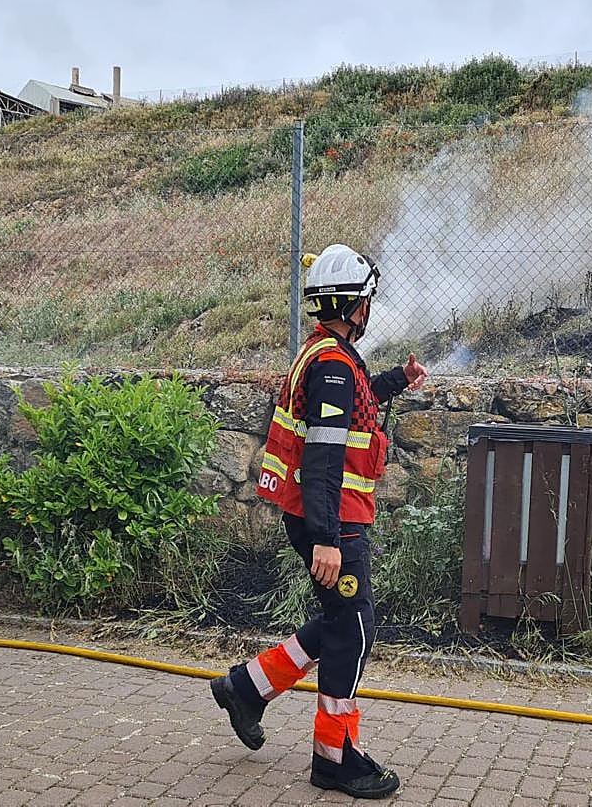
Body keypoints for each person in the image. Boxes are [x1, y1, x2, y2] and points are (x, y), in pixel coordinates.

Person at [210, 243, 429, 800]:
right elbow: (326, 458)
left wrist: (396, 380)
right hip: (331, 522)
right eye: (368, 301)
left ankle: (246, 689)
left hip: (319, 517)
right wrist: (328, 541)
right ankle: (335, 760)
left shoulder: (327, 357)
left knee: (340, 622)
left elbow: (354, 404)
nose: (370, 309)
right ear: (356, 306)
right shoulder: (333, 366)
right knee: (353, 632)